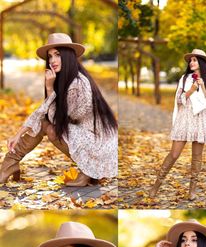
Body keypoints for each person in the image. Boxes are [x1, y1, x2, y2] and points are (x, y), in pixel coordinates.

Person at [0, 33, 118, 187]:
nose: (53, 61)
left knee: (51, 130)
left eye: (57, 55)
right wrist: (18, 133)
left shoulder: (77, 84)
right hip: (88, 137)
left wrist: (49, 88)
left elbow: (57, 119)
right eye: (50, 56)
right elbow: (44, 112)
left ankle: (87, 171)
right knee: (43, 123)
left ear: (68, 56)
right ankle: (9, 163)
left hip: (98, 145)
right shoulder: (65, 78)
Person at [149, 49, 206, 200]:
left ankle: (192, 190)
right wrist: (191, 90)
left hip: (199, 119)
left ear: (202, 63)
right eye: (190, 60)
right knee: (174, 154)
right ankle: (156, 186)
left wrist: (202, 85)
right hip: (184, 117)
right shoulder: (184, 78)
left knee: (197, 157)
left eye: (195, 60)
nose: (191, 63)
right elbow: (179, 100)